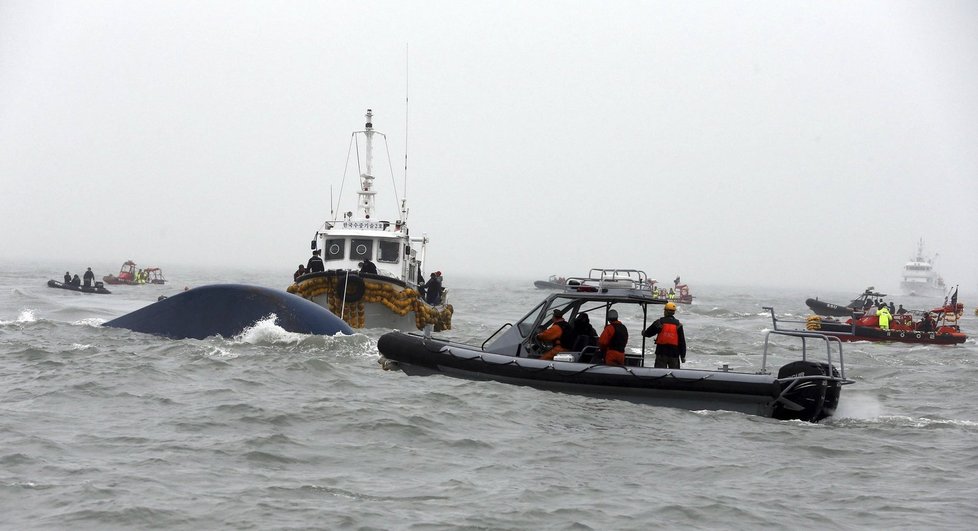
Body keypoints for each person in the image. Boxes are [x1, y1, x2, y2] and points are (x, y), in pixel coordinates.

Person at [642, 301, 687, 369]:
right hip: (674, 354)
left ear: (665, 311)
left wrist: (643, 333)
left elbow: (648, 333)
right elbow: (682, 342)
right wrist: (683, 356)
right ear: (674, 312)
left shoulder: (659, 322)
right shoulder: (678, 325)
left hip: (661, 353)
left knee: (659, 374)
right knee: (674, 374)